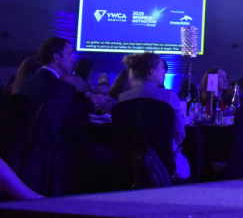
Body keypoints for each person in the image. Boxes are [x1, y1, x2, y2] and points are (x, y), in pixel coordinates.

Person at [16, 38, 108, 196]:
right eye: (70, 54)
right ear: (57, 58)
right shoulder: (60, 87)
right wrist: (94, 150)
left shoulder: (27, 83)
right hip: (52, 161)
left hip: (25, 159)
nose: (73, 59)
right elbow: (70, 128)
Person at [117, 52, 191, 179]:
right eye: (162, 68)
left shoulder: (122, 98)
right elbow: (179, 134)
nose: (165, 72)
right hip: (164, 161)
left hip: (129, 161)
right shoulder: (169, 96)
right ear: (152, 71)